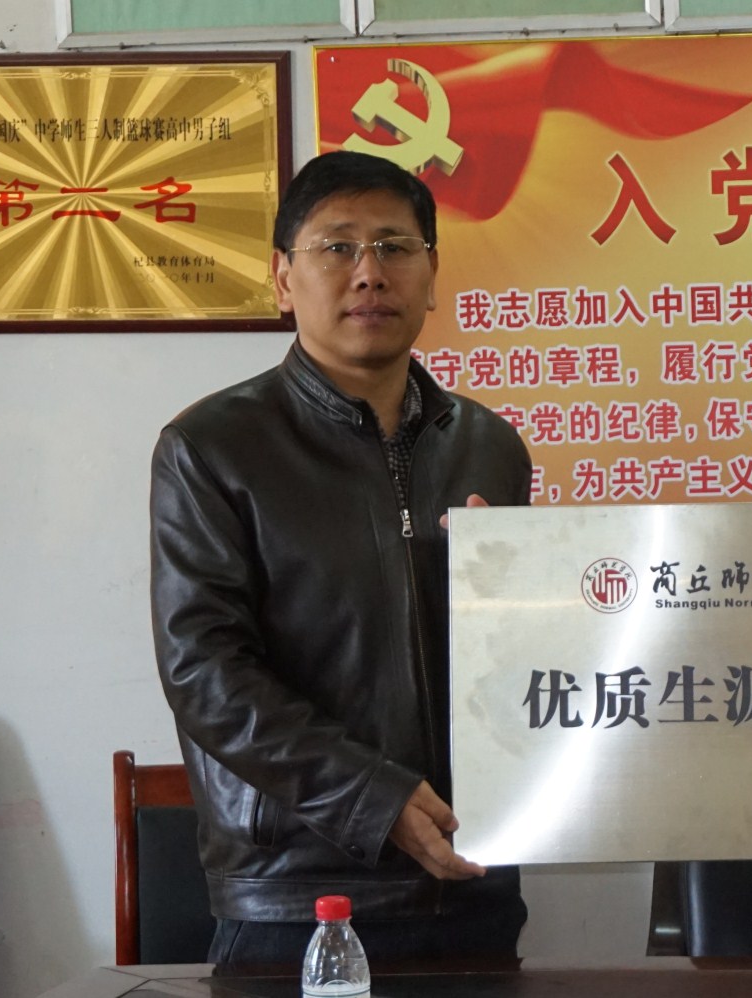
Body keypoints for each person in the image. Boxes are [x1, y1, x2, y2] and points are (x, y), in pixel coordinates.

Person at [149, 151, 532, 965]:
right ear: (283, 279)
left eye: (395, 247)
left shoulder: (490, 447)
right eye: (337, 247)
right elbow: (205, 672)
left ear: (432, 274)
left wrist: (527, 603)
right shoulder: (213, 447)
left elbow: (517, 663)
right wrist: (373, 798)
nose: (369, 273)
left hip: (473, 878)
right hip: (299, 893)